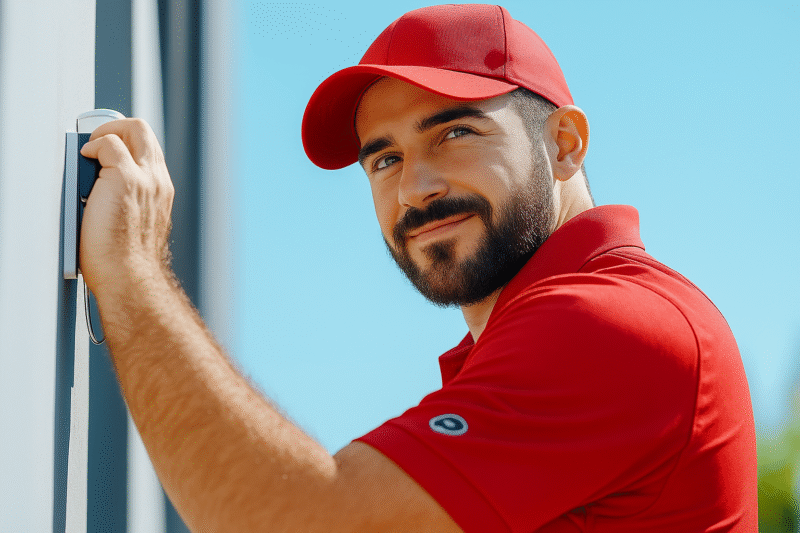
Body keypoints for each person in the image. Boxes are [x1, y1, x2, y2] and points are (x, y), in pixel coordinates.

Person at [79, 4, 757, 532]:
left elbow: (296, 519)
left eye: (455, 132)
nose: (416, 187)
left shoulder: (612, 324)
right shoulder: (536, 342)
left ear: (565, 144)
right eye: (385, 158)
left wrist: (133, 272)